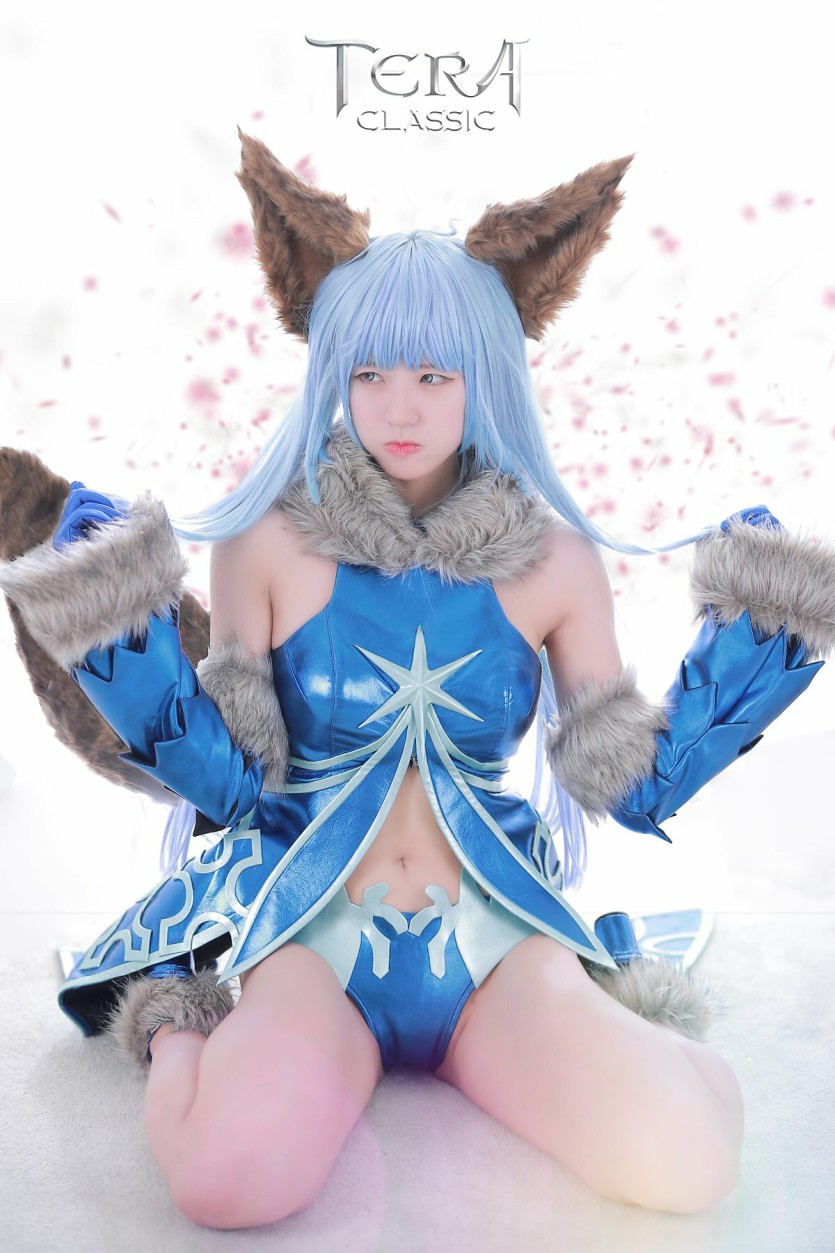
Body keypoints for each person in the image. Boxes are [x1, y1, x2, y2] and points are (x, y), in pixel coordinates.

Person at [1, 130, 832, 1229]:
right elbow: (233, 783)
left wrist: (764, 633)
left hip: (498, 937)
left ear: (486, 374)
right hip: (313, 938)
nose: (399, 407)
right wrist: (114, 619)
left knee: (689, 1163)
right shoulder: (265, 542)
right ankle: (176, 1022)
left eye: (434, 375)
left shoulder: (554, 559)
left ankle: (631, 1020)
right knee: (225, 1183)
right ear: (334, 374)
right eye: (369, 373)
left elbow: (628, 783)